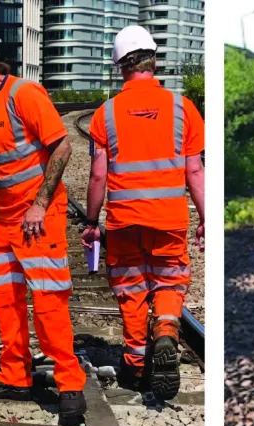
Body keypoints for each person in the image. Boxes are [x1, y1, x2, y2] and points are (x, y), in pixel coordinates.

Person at [0, 29, 87, 420]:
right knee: (5, 301)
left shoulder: (24, 95)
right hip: (6, 223)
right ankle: (15, 374)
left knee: (48, 304)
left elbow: (62, 145)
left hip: (39, 219)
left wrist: (40, 204)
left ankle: (70, 384)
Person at [82, 25, 205, 400]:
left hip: (124, 222)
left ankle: (136, 368)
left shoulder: (106, 114)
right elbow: (196, 171)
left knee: (132, 291)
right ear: (155, 61)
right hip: (168, 220)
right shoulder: (183, 109)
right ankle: (166, 330)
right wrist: (206, 218)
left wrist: (91, 222)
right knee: (169, 283)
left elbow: (98, 174)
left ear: (120, 66)